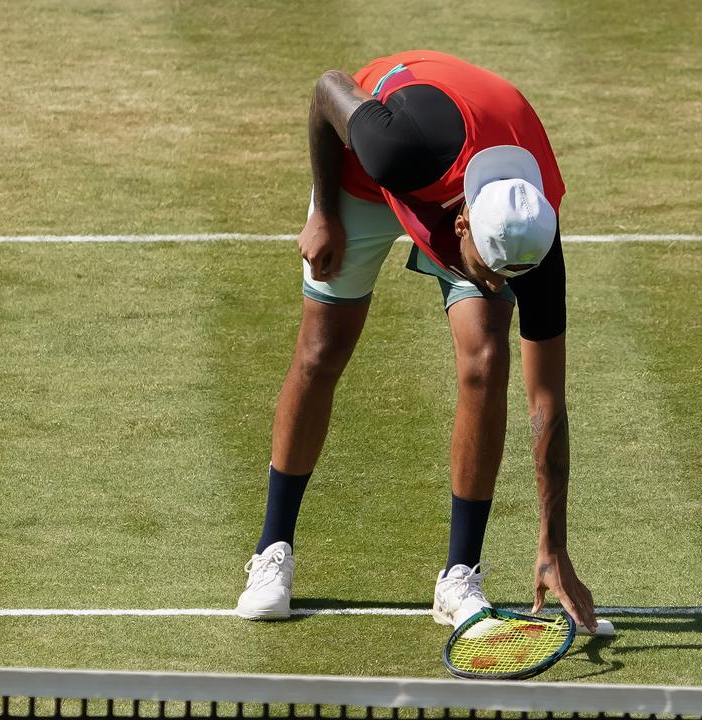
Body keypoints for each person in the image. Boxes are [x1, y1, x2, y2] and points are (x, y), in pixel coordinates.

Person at [234, 50, 597, 633]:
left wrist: (553, 545)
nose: (500, 287)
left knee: (488, 358)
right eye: (491, 272)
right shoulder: (395, 147)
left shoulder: (532, 231)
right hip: (365, 180)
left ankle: (460, 576)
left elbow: (545, 403)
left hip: (456, 177)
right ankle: (271, 551)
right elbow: (328, 89)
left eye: (512, 277)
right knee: (322, 351)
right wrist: (325, 211)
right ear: (461, 227)